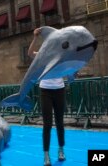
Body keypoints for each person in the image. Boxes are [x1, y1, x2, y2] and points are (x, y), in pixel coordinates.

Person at [28, 28, 66, 166]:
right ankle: (46, 155)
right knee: (47, 124)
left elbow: (69, 66)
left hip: (60, 89)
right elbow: (30, 53)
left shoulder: (62, 55)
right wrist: (35, 38)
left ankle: (61, 150)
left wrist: (74, 73)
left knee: (60, 122)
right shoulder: (42, 55)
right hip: (45, 90)